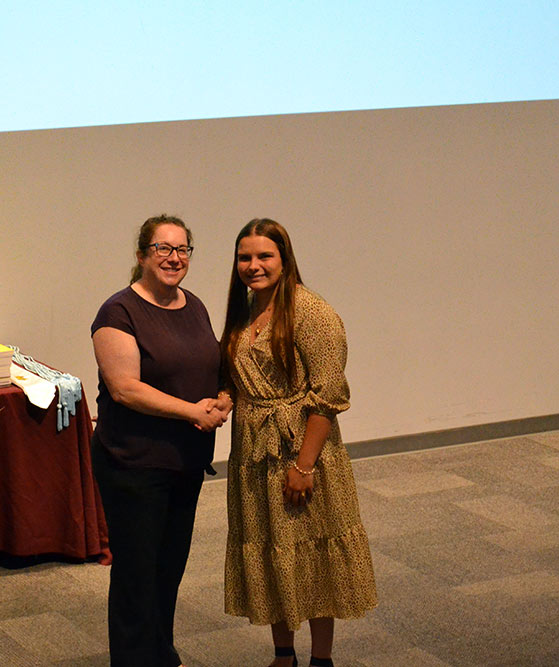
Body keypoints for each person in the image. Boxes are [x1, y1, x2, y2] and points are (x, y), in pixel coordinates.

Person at [219, 218, 377, 667]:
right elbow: (235, 373)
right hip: (254, 453)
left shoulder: (313, 312)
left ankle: (321, 659)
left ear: (285, 260)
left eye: (264, 256)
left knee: (313, 555)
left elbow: (328, 397)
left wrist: (304, 466)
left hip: (303, 452)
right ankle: (283, 655)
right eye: (245, 257)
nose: (253, 265)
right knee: (273, 549)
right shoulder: (246, 308)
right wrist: (224, 398)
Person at [91, 214, 228, 666]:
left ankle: (160, 654)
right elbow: (124, 388)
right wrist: (194, 412)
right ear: (142, 256)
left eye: (182, 249)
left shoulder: (194, 305)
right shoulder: (118, 312)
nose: (174, 258)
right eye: (163, 249)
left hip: (184, 463)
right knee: (137, 575)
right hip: (134, 465)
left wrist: (224, 400)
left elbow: (212, 364)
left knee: (167, 571)